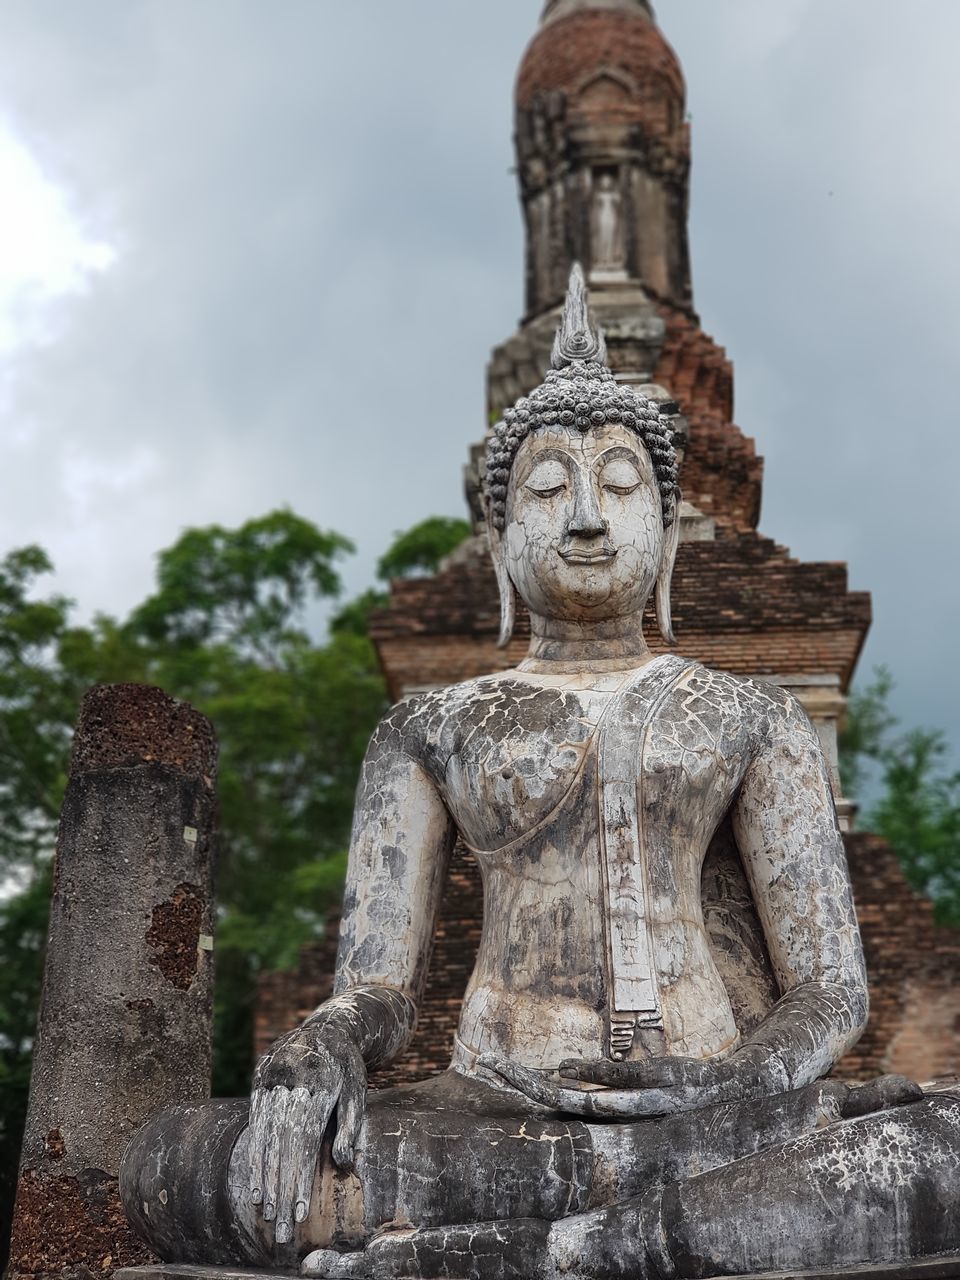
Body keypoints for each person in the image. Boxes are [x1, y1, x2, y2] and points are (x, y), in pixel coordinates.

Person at [121, 268, 960, 1279]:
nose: (587, 520)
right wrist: (322, 1041)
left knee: (941, 1144)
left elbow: (828, 990)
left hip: (718, 1105)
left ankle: (542, 1251)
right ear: (500, 538)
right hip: (493, 1112)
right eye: (550, 488)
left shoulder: (753, 713)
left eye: (618, 486)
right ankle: (627, 1235)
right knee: (177, 1164)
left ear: (665, 532)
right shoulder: (428, 724)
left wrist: (737, 1079)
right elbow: (382, 989)